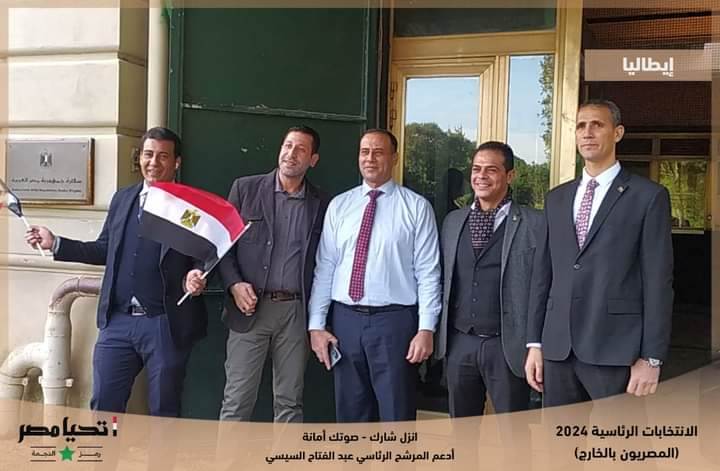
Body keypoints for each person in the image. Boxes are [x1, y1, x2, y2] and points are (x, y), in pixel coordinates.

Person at [24, 126, 208, 416]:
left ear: (176, 162)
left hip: (164, 323)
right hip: (117, 322)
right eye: (148, 154)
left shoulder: (190, 207)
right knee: (104, 406)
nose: (154, 162)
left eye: (163, 156)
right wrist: (56, 243)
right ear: (140, 158)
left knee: (164, 411)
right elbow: (104, 249)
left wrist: (196, 274)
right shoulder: (123, 199)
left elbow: (205, 254)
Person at [525, 99, 674, 406]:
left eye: (597, 125)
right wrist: (535, 343)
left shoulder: (648, 197)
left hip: (616, 349)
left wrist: (652, 357)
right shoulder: (556, 199)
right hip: (558, 348)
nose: (587, 132)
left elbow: (658, 281)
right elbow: (542, 275)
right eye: (581, 126)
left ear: (617, 133)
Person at [307, 128, 441, 422]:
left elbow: (428, 273)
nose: (370, 158)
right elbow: (325, 267)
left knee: (396, 414)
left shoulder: (416, 208)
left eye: (378, 152)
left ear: (394, 158)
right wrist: (316, 325)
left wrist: (426, 329)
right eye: (364, 152)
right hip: (345, 322)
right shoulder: (340, 206)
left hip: (395, 323)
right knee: (351, 416)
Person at [217, 125, 329, 423]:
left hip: (295, 312)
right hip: (250, 309)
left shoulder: (322, 203)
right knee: (237, 400)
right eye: (287, 146)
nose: (291, 154)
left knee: (290, 402)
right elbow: (222, 246)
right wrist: (234, 284)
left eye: (301, 149)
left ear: (313, 160)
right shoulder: (246, 189)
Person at [435, 141, 542, 417]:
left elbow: (543, 287)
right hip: (460, 342)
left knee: (513, 432)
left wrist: (535, 344)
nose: (481, 176)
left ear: (510, 175)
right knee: (462, 430)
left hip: (507, 345)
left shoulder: (534, 224)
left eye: (491, 169)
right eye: (476, 169)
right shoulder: (452, 222)